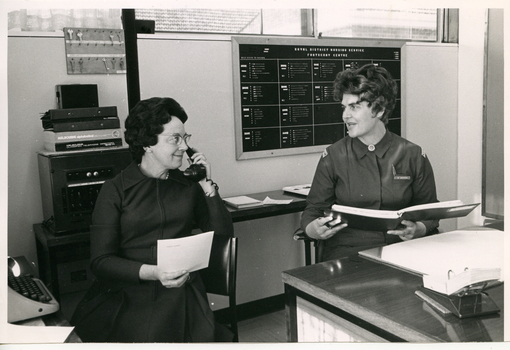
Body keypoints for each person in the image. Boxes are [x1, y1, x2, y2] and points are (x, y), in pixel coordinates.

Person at [70, 97, 234, 342]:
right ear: (147, 144)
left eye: (185, 138)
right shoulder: (115, 190)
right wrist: (154, 273)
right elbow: (101, 262)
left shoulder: (188, 185)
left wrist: (206, 184)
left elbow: (222, 236)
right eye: (174, 139)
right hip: (128, 291)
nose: (184, 147)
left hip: (180, 291)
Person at [301, 64, 439, 261]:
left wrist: (419, 229)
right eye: (344, 107)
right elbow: (313, 210)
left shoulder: (413, 154)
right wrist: (313, 229)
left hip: (401, 249)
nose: (345, 116)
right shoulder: (333, 155)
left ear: (380, 110)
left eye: (354, 107)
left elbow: (430, 210)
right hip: (347, 252)